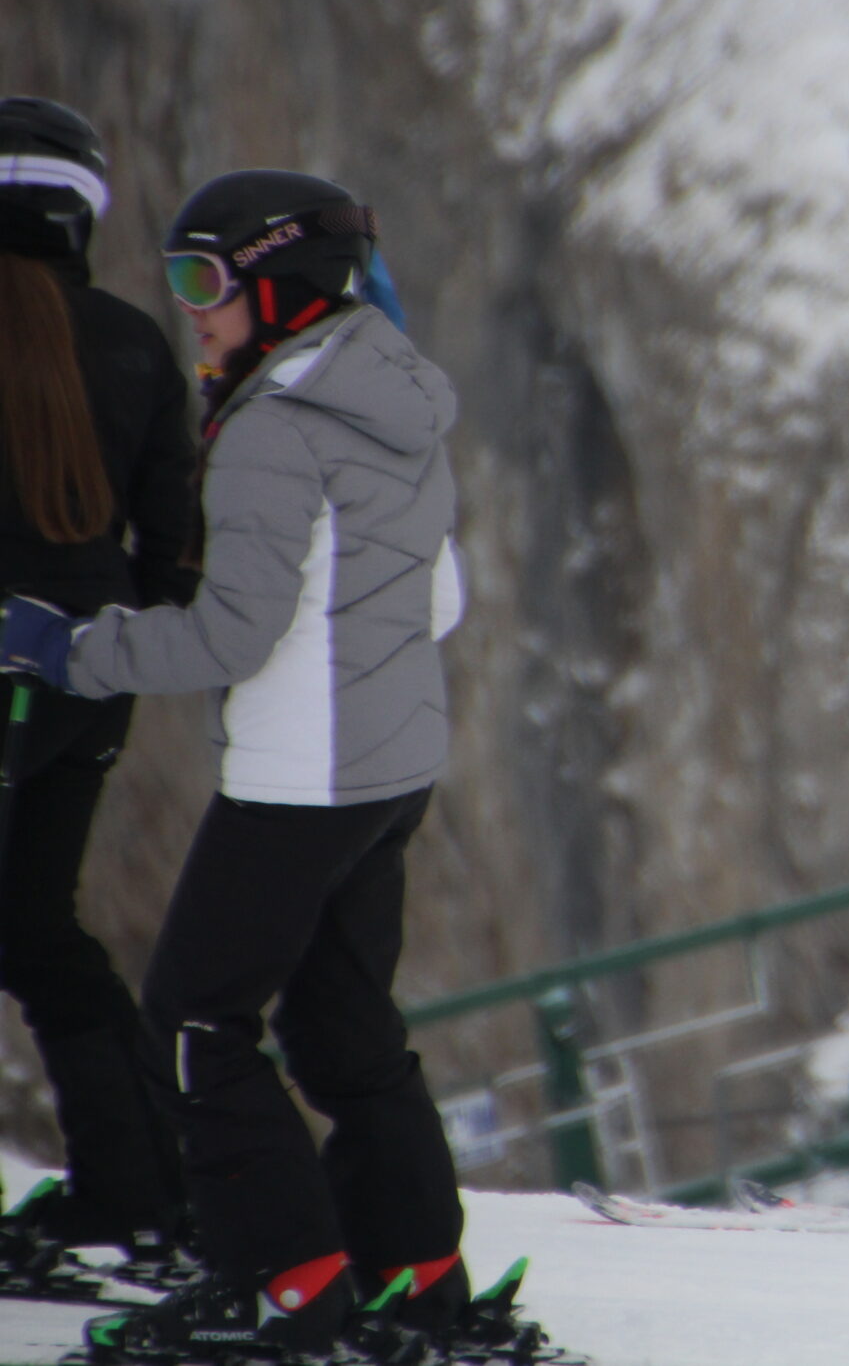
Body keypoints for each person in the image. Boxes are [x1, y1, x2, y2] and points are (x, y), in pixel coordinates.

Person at [1, 170, 469, 1358]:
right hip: (392, 760)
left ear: (280, 282)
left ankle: (291, 1287)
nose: (189, 309)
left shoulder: (273, 433)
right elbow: (443, 597)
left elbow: (228, 635)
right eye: (176, 279)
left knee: (194, 1020)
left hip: (300, 772)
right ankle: (416, 1278)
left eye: (205, 280)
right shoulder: (398, 391)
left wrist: (68, 646)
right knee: (342, 1022)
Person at [0, 97, 194, 1271]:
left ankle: (136, 1184)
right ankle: (141, 1184)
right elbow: (178, 555)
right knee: (34, 927)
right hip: (85, 686)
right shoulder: (133, 343)